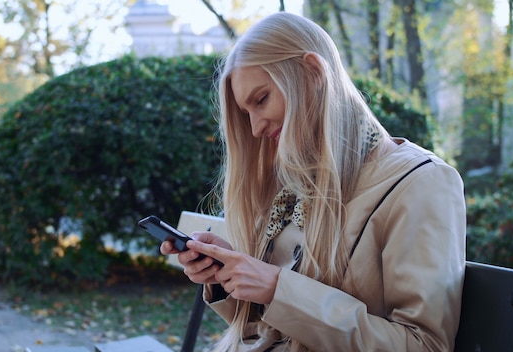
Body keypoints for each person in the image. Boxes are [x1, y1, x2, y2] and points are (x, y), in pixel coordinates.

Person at [161, 12, 465, 352]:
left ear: (313, 73)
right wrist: (229, 278)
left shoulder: (421, 183)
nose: (255, 128)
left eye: (261, 100)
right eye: (247, 113)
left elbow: (425, 345)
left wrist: (279, 289)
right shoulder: (294, 181)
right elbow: (271, 330)